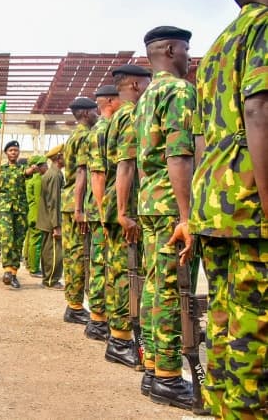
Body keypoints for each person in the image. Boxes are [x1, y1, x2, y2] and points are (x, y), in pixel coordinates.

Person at [187, 0, 268, 417]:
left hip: (216, 201)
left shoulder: (218, 47)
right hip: (252, 204)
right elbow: (259, 109)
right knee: (255, 334)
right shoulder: (264, 27)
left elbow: (200, 139)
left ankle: (223, 410)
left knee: (222, 324)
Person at [134, 26, 196, 410]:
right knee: (172, 287)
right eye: (188, 50)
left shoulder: (144, 99)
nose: (190, 57)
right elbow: (179, 155)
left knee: (156, 284)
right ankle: (169, 378)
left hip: (150, 202)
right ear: (171, 49)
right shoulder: (178, 90)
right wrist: (187, 215)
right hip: (172, 204)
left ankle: (154, 366)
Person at [103, 67, 152, 367]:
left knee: (120, 273)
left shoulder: (117, 117)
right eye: (147, 82)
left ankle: (118, 337)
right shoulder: (130, 114)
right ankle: (120, 340)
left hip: (118, 204)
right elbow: (126, 164)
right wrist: (123, 211)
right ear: (135, 84)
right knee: (126, 275)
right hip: (127, 207)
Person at [83, 85, 119, 343]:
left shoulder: (103, 129)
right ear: (109, 101)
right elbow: (97, 174)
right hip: (104, 209)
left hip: (103, 208)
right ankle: (98, 320)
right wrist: (103, 212)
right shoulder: (103, 130)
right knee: (102, 265)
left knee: (101, 264)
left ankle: (99, 318)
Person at [61, 97, 98, 324]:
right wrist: (80, 208)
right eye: (95, 110)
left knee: (74, 253)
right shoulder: (84, 136)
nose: (98, 114)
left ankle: (74, 304)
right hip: (78, 201)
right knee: (77, 255)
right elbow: (82, 173)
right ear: (85, 113)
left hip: (70, 200)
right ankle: (74, 307)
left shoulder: (73, 136)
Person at [0, 141, 39, 289]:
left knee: (18, 241)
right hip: (5, 209)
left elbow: (27, 173)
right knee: (7, 238)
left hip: (21, 210)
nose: (13, 153)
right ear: (6, 153)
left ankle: (13, 272)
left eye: (16, 150)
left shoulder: (22, 169)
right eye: (11, 150)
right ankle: (6, 270)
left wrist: (34, 168)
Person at [37, 145, 65, 289]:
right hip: (51, 220)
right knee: (54, 252)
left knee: (48, 250)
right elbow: (54, 202)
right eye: (64, 155)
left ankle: (48, 278)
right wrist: (56, 225)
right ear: (58, 158)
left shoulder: (54, 173)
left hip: (48, 219)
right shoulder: (54, 175)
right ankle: (51, 280)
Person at [25, 156, 45, 276]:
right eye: (43, 165)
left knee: (31, 239)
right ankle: (34, 268)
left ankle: (29, 262)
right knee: (36, 242)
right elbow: (39, 200)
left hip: (31, 213)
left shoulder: (29, 179)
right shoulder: (37, 180)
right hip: (37, 214)